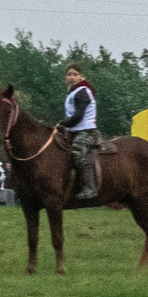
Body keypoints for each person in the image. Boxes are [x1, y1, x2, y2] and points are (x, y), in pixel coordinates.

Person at [60, 64, 101, 202]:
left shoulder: (83, 92)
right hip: (74, 131)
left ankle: (90, 188)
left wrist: (62, 124)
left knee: (77, 152)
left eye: (74, 74)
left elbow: (78, 116)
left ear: (81, 76)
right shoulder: (73, 92)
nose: (71, 77)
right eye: (69, 74)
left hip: (87, 131)